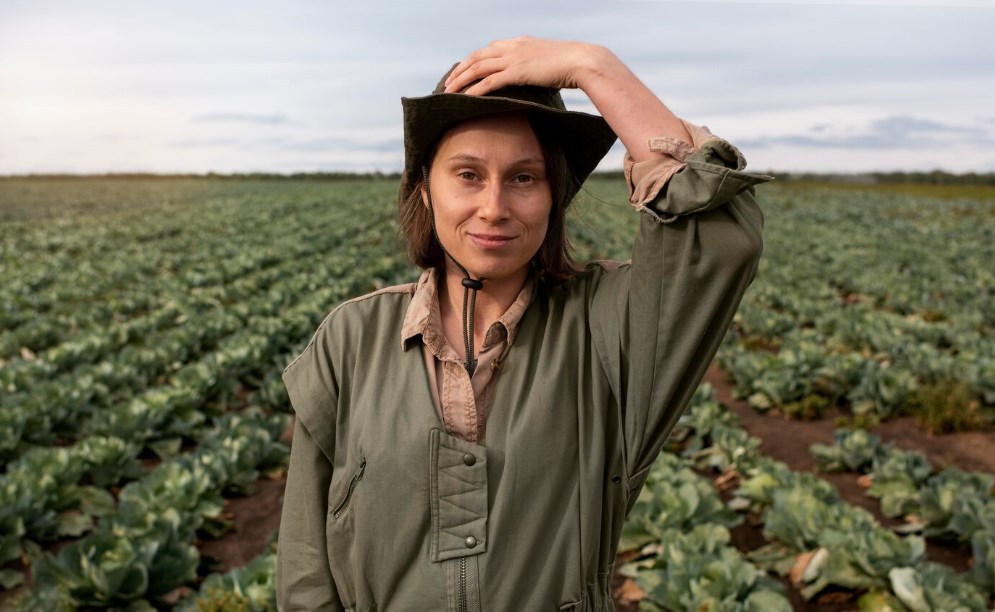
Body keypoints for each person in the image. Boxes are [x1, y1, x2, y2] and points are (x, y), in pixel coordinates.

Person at [276, 36, 768, 611]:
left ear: (555, 196)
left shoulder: (607, 329)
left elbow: (719, 238)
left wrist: (596, 68)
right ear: (425, 191)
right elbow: (306, 568)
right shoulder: (351, 338)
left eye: (524, 178)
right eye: (467, 174)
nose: (494, 207)